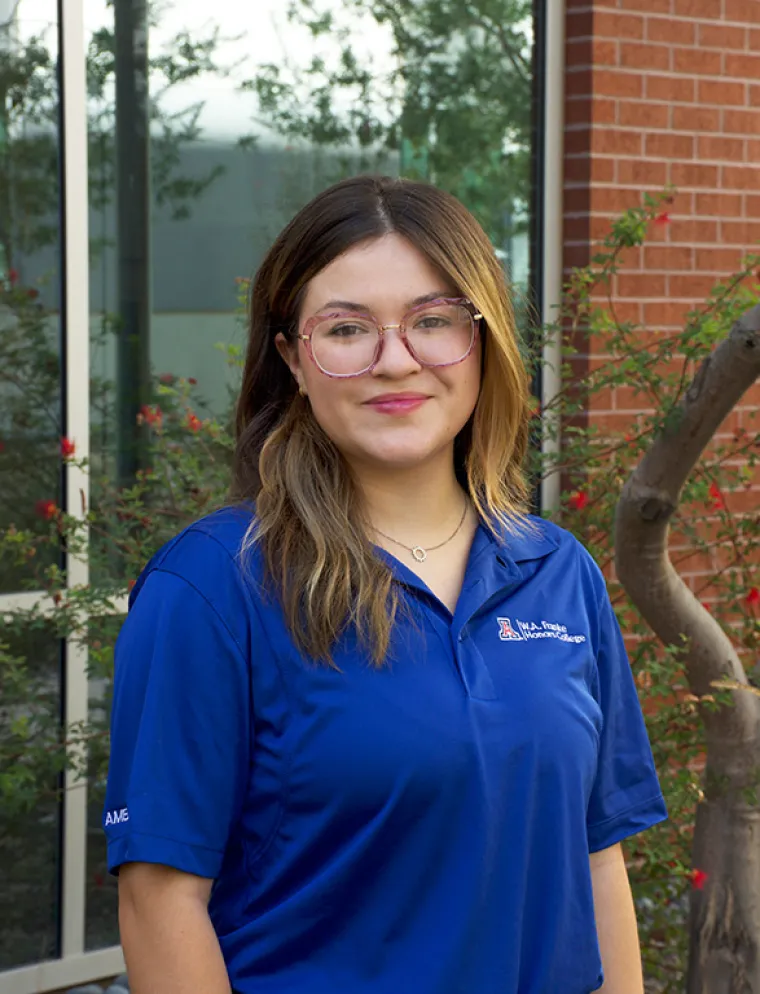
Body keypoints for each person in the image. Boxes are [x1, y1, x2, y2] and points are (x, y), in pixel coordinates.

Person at [104, 175, 667, 994]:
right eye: (345, 329)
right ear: (293, 358)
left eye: (433, 321)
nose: (394, 360)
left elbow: (595, 854)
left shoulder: (556, 571)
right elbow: (160, 901)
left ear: (484, 342)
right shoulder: (211, 588)